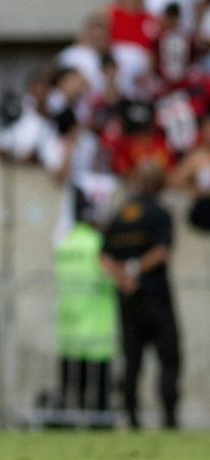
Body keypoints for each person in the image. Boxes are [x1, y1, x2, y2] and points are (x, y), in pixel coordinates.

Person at [100, 161, 182, 429]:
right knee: (169, 357)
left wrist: (122, 277)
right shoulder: (159, 213)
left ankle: (132, 417)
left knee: (132, 360)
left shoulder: (120, 215)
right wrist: (134, 270)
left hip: (127, 298)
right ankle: (169, 417)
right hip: (156, 296)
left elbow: (103, 256)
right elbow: (161, 252)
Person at [52, 195, 116, 427]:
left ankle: (69, 417)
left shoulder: (64, 243)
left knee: (71, 376)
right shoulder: (96, 242)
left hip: (68, 319)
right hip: (96, 318)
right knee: (98, 378)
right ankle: (100, 420)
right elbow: (109, 272)